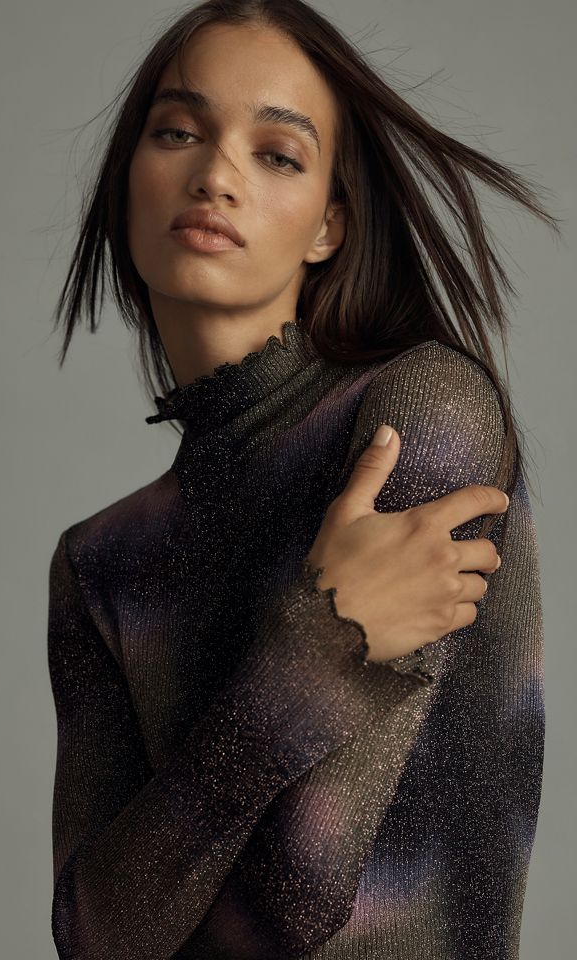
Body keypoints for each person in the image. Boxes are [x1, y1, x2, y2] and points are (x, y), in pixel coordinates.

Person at [46, 2, 557, 957]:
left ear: (329, 224)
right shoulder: (100, 561)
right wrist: (317, 649)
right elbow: (90, 933)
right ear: (127, 184)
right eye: (178, 132)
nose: (215, 175)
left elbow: (295, 900)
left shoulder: (418, 415)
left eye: (277, 153)